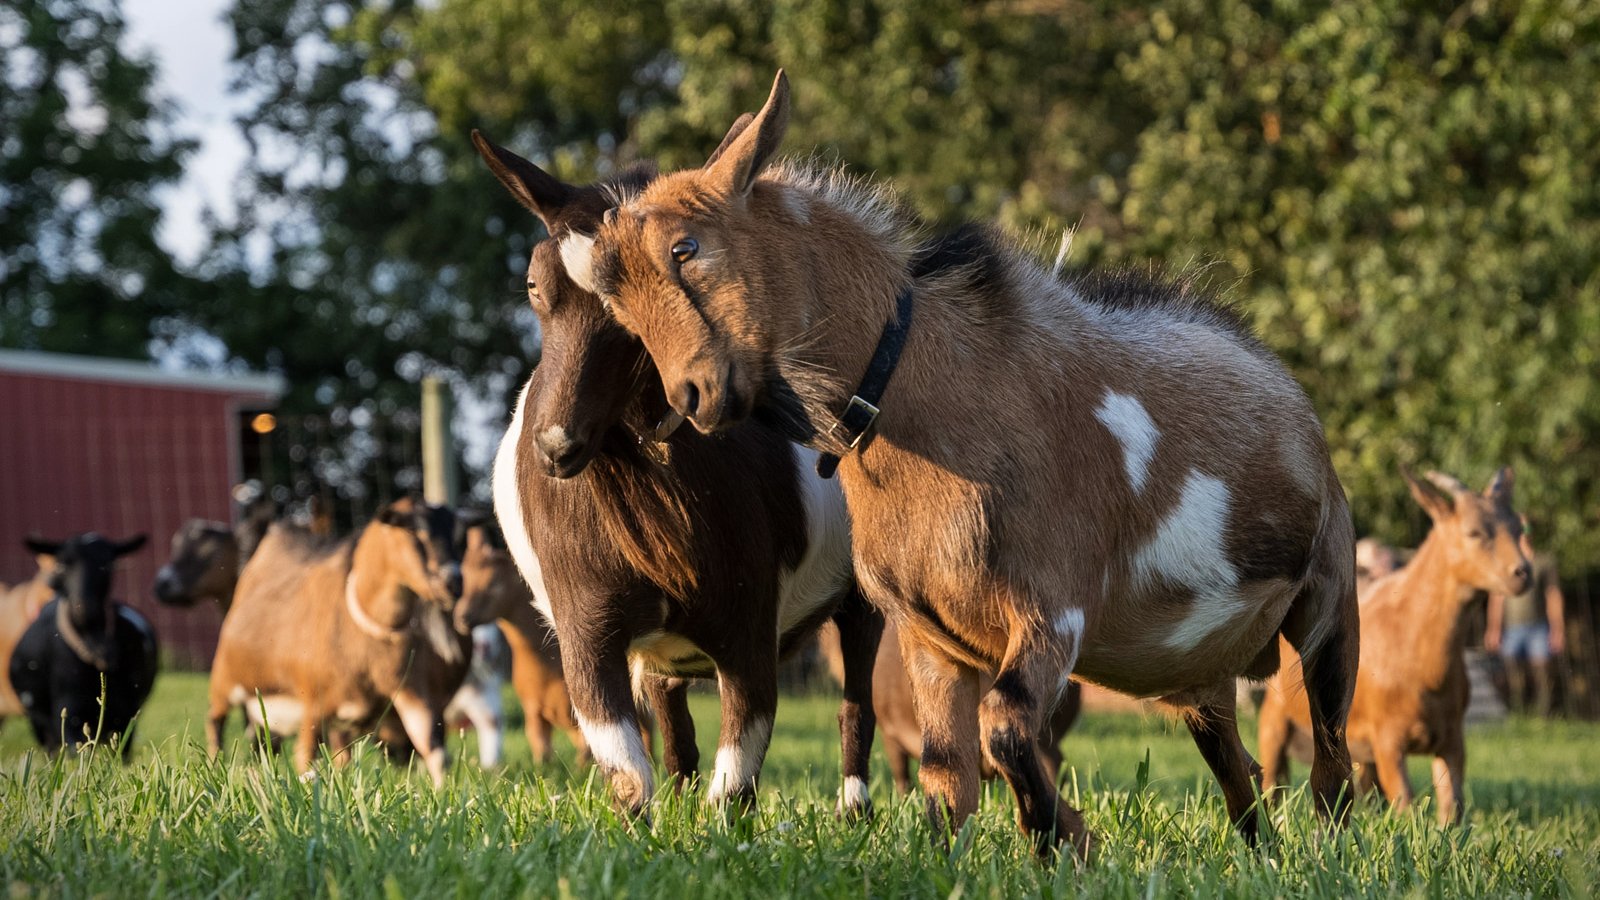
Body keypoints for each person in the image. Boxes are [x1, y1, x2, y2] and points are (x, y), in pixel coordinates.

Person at [1486, 519, 1566, 716]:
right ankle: (1516, 717)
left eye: (1526, 528)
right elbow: (1497, 598)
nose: (1523, 533)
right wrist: (1493, 629)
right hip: (1512, 629)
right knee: (1511, 677)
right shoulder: (1505, 563)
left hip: (1538, 627)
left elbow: (1553, 597)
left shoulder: (1544, 561)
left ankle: (1543, 718)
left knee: (1543, 675)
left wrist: (1558, 629)